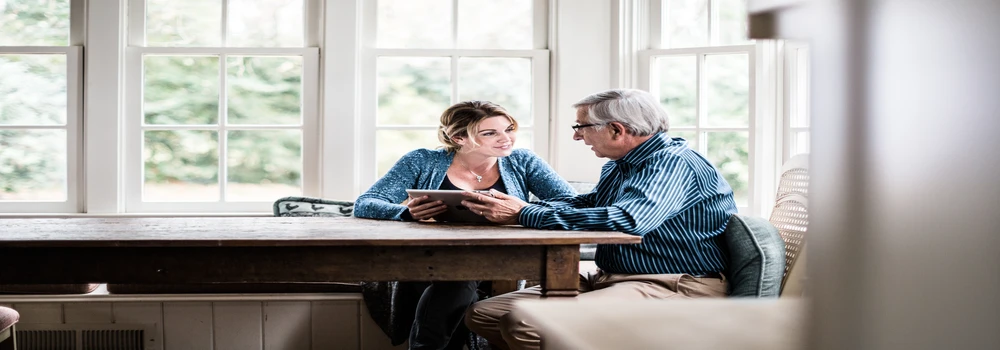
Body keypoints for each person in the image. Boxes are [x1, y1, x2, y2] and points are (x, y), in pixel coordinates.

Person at [458, 89, 738, 350]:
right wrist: (518, 207)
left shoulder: (672, 163)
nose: (577, 137)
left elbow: (629, 219)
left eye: (580, 127)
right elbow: (590, 203)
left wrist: (524, 214)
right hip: (612, 276)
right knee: (484, 314)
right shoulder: (621, 165)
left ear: (616, 130)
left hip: (672, 282)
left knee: (526, 323)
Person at [354, 100, 576, 350]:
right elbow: (366, 203)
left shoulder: (523, 160)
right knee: (459, 279)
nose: (506, 138)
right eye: (490, 133)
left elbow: (570, 203)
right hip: (431, 255)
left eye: (509, 129)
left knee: (459, 277)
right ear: (459, 137)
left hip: (499, 255)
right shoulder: (421, 160)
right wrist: (405, 213)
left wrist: (521, 211)